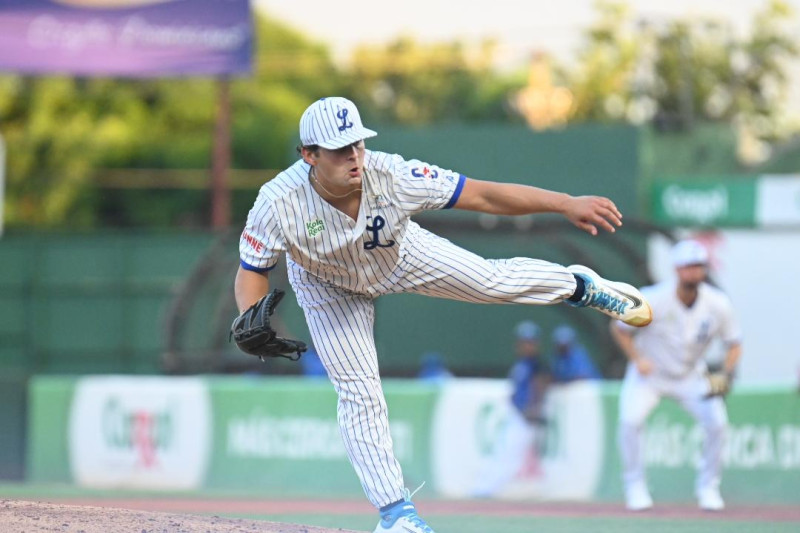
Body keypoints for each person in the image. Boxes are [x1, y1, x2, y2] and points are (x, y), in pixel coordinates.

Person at [234, 96, 652, 533]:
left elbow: (483, 195)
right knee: (360, 394)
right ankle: (396, 516)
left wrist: (564, 202)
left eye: (357, 143)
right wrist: (248, 315)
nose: (354, 156)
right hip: (327, 287)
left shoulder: (393, 174)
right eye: (340, 149)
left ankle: (579, 285)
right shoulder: (278, 201)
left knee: (493, 283)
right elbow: (251, 271)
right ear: (309, 155)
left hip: (400, 255)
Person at [610, 239, 742, 512]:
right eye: (687, 267)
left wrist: (726, 374)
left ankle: (708, 488)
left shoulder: (717, 304)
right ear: (677, 270)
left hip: (691, 375)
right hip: (650, 375)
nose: (693, 273)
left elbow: (734, 342)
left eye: (698, 267)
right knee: (629, 421)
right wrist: (637, 359)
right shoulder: (653, 298)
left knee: (717, 423)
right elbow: (619, 329)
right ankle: (635, 486)